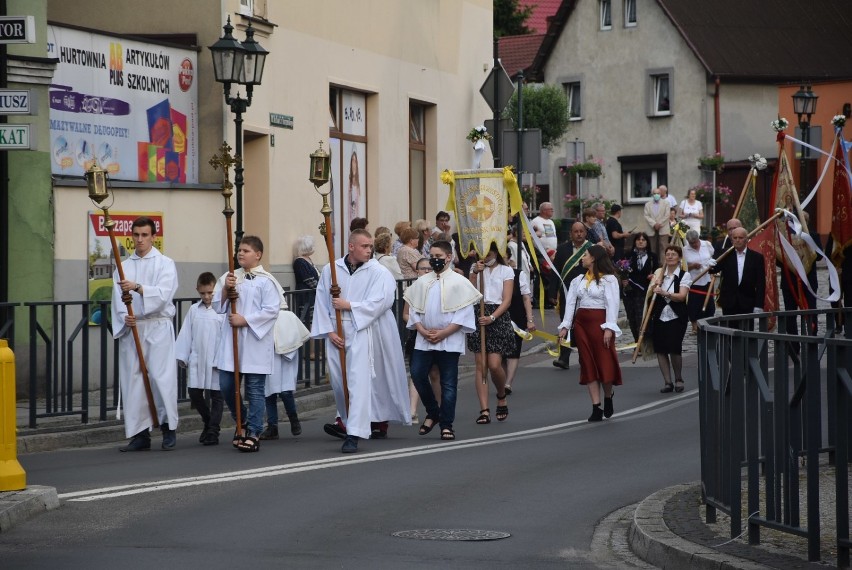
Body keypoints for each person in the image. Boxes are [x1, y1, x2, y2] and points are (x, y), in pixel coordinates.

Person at [311, 229, 410, 453]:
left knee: (358, 381)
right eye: (364, 246)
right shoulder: (331, 270)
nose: (369, 250)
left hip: (361, 329)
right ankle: (346, 419)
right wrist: (329, 331)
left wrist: (349, 306)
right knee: (338, 382)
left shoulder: (379, 272)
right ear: (351, 246)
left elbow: (381, 301)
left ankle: (353, 433)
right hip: (336, 330)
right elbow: (321, 301)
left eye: (371, 246)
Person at [112, 216, 179, 452]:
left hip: (157, 326)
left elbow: (163, 294)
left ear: (153, 237)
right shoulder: (123, 267)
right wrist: (124, 318)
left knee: (161, 378)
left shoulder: (165, 264)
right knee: (134, 381)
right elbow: (117, 301)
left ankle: (168, 427)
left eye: (145, 235)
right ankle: (140, 434)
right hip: (134, 329)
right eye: (136, 235)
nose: (140, 240)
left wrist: (138, 288)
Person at [405, 240, 481, 441]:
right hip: (424, 338)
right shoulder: (422, 281)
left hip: (448, 340)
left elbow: (464, 314)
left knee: (448, 383)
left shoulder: (460, 282)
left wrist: (444, 333)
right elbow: (413, 310)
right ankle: (433, 411)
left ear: (448, 257)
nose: (434, 260)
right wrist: (421, 329)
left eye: (438, 257)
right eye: (432, 256)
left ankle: (446, 424)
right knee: (418, 374)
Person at [213, 235, 280, 453]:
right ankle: (240, 420)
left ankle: (253, 431)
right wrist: (225, 290)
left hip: (254, 342)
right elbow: (216, 306)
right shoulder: (230, 277)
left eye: (246, 250)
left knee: (254, 389)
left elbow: (271, 310)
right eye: (239, 250)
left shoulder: (266, 281)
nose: (241, 253)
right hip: (231, 343)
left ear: (258, 255)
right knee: (227, 385)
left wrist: (246, 320)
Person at [557, 244, 623, 422]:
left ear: (593, 258)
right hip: (581, 325)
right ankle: (596, 406)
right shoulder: (578, 279)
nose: (582, 258)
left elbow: (612, 304)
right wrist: (565, 326)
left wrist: (609, 327)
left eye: (585, 255)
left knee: (604, 362)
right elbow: (570, 303)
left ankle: (608, 396)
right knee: (587, 364)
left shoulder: (609, 280)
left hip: (600, 324)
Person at [175, 271, 224, 446]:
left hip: (215, 359)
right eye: (203, 293)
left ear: (215, 290)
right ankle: (208, 420)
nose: (207, 296)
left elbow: (225, 337)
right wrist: (183, 355)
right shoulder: (194, 310)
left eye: (210, 293)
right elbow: (186, 334)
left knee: (217, 395)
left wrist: (222, 359)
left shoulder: (221, 311)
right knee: (194, 393)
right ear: (197, 290)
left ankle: (213, 431)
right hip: (197, 358)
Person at [467, 243, 515, 424]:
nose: (485, 256)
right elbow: (468, 292)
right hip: (478, 312)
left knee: (495, 364)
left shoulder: (506, 270)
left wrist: (492, 317)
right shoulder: (476, 269)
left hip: (497, 315)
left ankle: (501, 394)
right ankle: (484, 409)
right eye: (482, 253)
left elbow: (507, 299)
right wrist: (474, 273)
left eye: (489, 253)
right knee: (481, 364)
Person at [261, 295, 311, 441]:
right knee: (268, 393)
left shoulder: (288, 316)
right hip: (269, 358)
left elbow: (298, 335)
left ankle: (293, 419)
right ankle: (272, 426)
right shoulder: (264, 316)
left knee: (285, 392)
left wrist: (288, 346)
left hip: (285, 361)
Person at [647, 245, 692, 393]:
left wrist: (665, 293)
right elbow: (650, 295)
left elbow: (681, 296)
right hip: (659, 315)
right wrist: (654, 286)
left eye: (673, 254)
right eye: (668, 254)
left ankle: (678, 378)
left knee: (674, 347)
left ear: (679, 258)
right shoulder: (659, 275)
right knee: (660, 349)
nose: (670, 257)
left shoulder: (684, 275)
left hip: (677, 315)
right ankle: (667, 381)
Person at [404, 258, 441, 422]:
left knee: (434, 373)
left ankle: (439, 409)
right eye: (422, 268)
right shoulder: (412, 289)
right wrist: (418, 326)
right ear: (416, 271)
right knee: (416, 372)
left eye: (429, 268)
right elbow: (406, 314)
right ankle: (412, 410)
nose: (426, 271)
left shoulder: (440, 287)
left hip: (437, 334)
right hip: (418, 334)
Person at [551, 222, 590, 369]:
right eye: (576, 231)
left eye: (581, 231)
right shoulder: (562, 249)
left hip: (586, 293)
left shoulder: (592, 249)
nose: (579, 234)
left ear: (585, 233)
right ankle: (564, 358)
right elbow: (556, 271)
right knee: (565, 323)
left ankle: (584, 357)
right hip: (567, 292)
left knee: (582, 325)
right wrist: (552, 291)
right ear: (571, 234)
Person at [709, 226, 765, 329]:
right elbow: (713, 270)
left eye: (740, 237)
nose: (737, 240)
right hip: (729, 301)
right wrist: (709, 264)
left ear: (747, 239)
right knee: (730, 332)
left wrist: (759, 304)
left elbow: (761, 283)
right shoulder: (725, 254)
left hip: (747, 301)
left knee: (747, 332)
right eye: (735, 238)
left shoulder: (756, 257)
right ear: (731, 239)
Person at [503, 245, 535, 394]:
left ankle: (508, 383)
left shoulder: (518, 274)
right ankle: (503, 378)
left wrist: (530, 319)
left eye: (503, 256)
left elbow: (526, 297)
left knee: (514, 350)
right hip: (498, 317)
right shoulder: (488, 274)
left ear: (509, 258)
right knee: (500, 351)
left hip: (516, 316)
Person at [622, 232, 658, 342]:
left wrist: (654, 276)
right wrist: (623, 280)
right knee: (632, 318)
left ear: (647, 242)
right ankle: (637, 341)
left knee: (643, 317)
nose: (641, 241)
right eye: (638, 239)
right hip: (630, 291)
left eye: (643, 239)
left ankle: (644, 343)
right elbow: (622, 270)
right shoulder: (628, 255)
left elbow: (657, 271)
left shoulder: (652, 257)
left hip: (645, 291)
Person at [682, 230, 715, 334]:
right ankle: (695, 326)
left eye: (696, 242)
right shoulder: (684, 250)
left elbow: (712, 256)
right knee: (694, 304)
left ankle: (708, 324)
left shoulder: (707, 244)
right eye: (692, 243)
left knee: (708, 303)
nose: (695, 245)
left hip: (707, 278)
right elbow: (683, 267)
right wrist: (692, 266)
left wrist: (711, 264)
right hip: (694, 280)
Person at [531, 202, 558, 307]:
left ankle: (548, 300)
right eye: (550, 209)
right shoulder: (535, 221)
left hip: (551, 253)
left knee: (549, 276)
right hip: (540, 253)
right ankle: (539, 301)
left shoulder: (551, 222)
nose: (552, 210)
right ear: (543, 210)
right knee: (542, 276)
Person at [643, 187, 671, 257]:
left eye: (658, 193)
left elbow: (667, 215)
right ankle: (653, 264)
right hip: (651, 228)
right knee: (651, 248)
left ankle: (662, 265)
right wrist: (654, 224)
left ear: (660, 194)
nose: (656, 195)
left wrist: (659, 224)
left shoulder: (666, 203)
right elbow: (646, 216)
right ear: (652, 194)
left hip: (663, 228)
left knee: (663, 247)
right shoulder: (647, 204)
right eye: (654, 193)